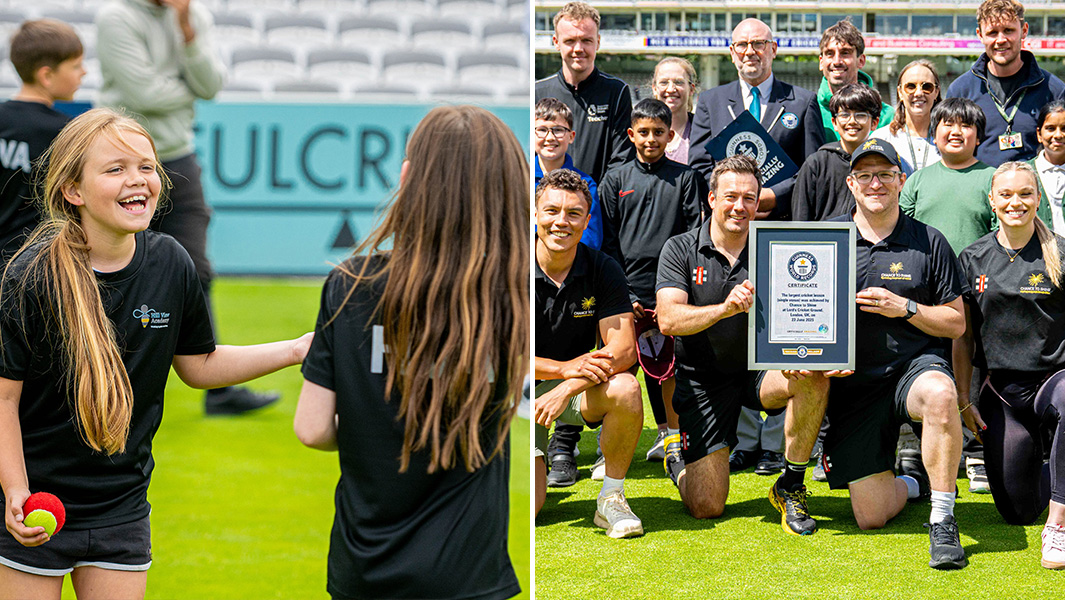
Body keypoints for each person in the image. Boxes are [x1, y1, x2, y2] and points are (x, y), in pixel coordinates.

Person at [0, 108, 311, 598]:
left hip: (120, 506)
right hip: (35, 503)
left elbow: (199, 365)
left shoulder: (170, 261)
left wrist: (296, 349)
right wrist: (15, 490)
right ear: (73, 191)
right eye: (115, 168)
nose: (137, 180)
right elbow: (4, 401)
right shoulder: (30, 277)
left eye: (146, 166)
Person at [294, 106, 526, 597]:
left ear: (408, 178)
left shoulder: (349, 286)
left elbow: (312, 429)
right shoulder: (513, 293)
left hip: (364, 569)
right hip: (469, 574)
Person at [96, 0, 279, 415]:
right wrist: (190, 91)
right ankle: (99, 382)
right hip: (117, 158)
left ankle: (219, 390)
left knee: (197, 270)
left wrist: (187, 33)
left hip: (178, 157)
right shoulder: (116, 17)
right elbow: (145, 93)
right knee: (106, 267)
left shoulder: (193, 17)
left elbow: (210, 84)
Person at [655, 155, 832, 535]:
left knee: (813, 376)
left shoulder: (779, 246)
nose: (740, 206)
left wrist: (803, 349)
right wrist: (725, 309)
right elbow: (668, 319)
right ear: (711, 198)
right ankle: (678, 459)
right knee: (707, 506)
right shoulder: (680, 248)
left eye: (749, 198)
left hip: (760, 370)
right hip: (703, 379)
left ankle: (791, 484)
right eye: (731, 196)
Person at [822, 138, 969, 570]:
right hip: (854, 384)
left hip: (913, 370)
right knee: (871, 516)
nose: (876, 183)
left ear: (901, 180)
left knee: (941, 394)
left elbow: (956, 323)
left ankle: (943, 520)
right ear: (850, 183)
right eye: (865, 175)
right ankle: (913, 481)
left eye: (885, 174)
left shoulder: (928, 240)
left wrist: (905, 307)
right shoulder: (826, 238)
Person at [954, 161, 1065, 569]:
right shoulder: (973, 257)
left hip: (1055, 381)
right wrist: (965, 400)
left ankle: (1057, 526)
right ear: (992, 201)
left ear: (1038, 198)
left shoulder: (1061, 253)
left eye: (1024, 194)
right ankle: (1053, 467)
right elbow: (963, 337)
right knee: (1016, 513)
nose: (1015, 202)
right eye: (1006, 194)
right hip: (1002, 391)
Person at [533, 169, 644, 538]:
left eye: (573, 214)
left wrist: (566, 385)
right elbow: (494, 353)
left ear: (586, 221)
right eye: (551, 211)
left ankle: (610, 498)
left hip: (575, 387)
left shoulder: (602, 267)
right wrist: (563, 369)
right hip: (512, 392)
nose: (561, 222)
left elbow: (624, 348)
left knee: (626, 388)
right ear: (534, 214)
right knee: (527, 508)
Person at [600, 98, 707, 479]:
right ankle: (608, 447)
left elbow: (695, 236)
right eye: (643, 132)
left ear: (671, 135)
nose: (650, 139)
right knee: (620, 367)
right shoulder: (614, 180)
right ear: (631, 134)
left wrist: (676, 293)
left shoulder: (686, 178)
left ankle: (673, 441)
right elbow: (607, 243)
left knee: (670, 369)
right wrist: (623, 295)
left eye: (658, 133)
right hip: (623, 293)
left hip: (670, 292)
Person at [689, 18, 823, 221]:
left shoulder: (803, 102)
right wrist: (732, 198)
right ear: (732, 53)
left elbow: (814, 168)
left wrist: (775, 196)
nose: (750, 51)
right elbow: (699, 167)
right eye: (742, 45)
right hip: (727, 222)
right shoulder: (710, 101)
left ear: (774, 49)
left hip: (782, 221)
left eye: (758, 43)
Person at [0, 19, 83, 262]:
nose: (85, 72)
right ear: (46, 75)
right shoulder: (66, 131)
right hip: (39, 262)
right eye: (76, 66)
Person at [946, 0, 1065, 167]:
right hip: (981, 190)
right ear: (980, 35)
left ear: (1024, 31)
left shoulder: (1054, 90)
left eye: (1008, 30)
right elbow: (949, 150)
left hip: (1036, 190)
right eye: (992, 33)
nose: (1001, 40)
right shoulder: (960, 90)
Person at [535, 1, 634, 185]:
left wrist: (593, 199)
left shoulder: (617, 91)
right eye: (570, 41)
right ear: (556, 42)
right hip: (548, 209)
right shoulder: (537, 92)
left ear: (598, 42)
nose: (578, 49)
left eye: (586, 40)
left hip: (600, 208)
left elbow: (622, 160)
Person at [792, 83, 881, 222]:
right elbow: (800, 219)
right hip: (824, 242)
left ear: (874, 123)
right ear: (834, 122)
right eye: (844, 115)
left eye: (861, 115)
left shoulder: (882, 164)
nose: (852, 121)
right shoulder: (816, 164)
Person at [534, 97, 602, 250]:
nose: (550, 138)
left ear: (571, 136)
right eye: (542, 130)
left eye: (558, 130)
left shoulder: (585, 184)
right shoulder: (521, 178)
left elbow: (591, 239)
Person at [815, 19, 894, 145]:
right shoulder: (809, 111)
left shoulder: (887, 116)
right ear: (821, 62)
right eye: (830, 54)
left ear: (861, 61)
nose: (836, 61)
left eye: (845, 53)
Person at [872, 59, 943, 175]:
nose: (919, 93)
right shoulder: (882, 139)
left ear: (936, 92)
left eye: (927, 87)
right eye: (911, 86)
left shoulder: (948, 139)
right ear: (900, 92)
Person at [651, 56, 697, 166]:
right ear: (654, 89)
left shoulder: (703, 131)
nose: (671, 89)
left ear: (691, 89)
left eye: (679, 82)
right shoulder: (641, 132)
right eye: (664, 82)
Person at [1030, 100, 1065, 234]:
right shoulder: (1026, 173)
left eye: (1064, 128)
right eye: (1050, 128)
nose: (1058, 135)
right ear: (1039, 134)